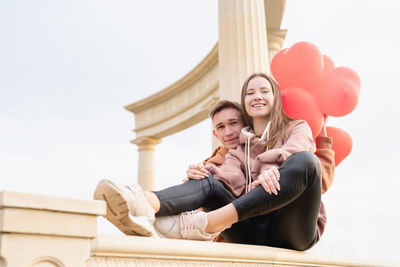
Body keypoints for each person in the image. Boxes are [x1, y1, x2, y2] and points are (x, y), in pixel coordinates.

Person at [94, 73, 335, 250]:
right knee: (209, 180)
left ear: (275, 99)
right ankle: (141, 203)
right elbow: (225, 180)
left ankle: (206, 224)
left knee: (306, 161)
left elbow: (297, 153)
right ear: (245, 105)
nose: (257, 97)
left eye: (264, 91)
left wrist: (272, 172)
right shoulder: (240, 148)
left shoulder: (296, 127)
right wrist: (202, 171)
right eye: (250, 93)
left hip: (291, 230)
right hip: (250, 231)